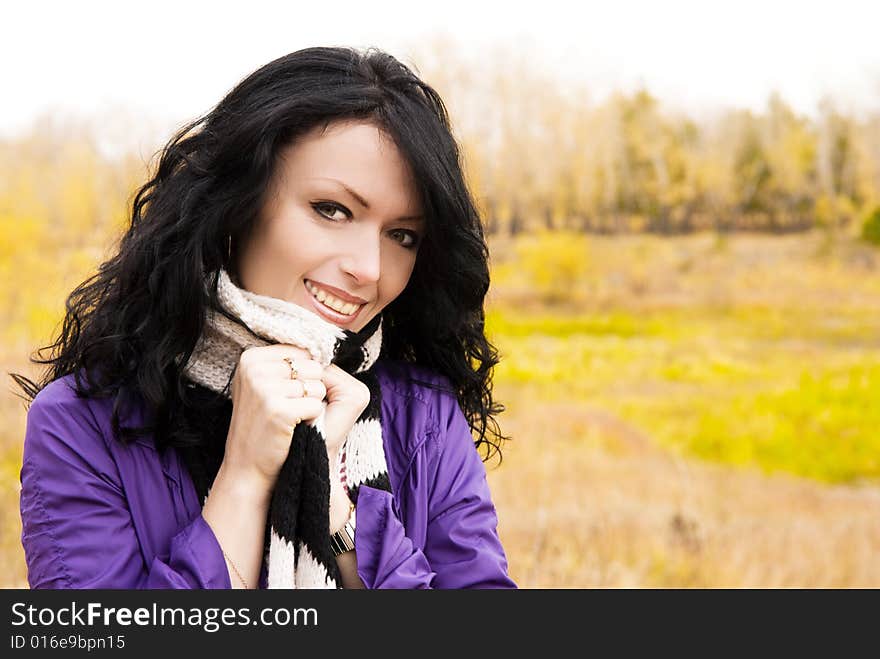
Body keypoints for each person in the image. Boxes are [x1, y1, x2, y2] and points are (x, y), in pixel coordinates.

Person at [13, 46, 515, 589]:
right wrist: (245, 479)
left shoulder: (425, 418)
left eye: (402, 236)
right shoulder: (81, 426)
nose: (370, 269)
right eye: (333, 210)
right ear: (236, 204)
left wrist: (336, 516)